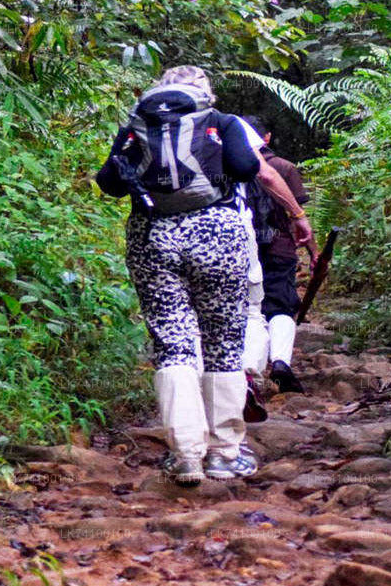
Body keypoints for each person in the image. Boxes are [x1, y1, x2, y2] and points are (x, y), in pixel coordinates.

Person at [95, 66, 267, 485]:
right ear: (205, 92)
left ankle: (186, 453)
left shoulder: (138, 125)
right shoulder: (221, 122)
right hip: (216, 235)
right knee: (224, 340)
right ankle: (225, 453)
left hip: (152, 236)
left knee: (173, 343)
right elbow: (246, 168)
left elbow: (109, 183)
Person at [240, 116, 312, 394]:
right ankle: (281, 361)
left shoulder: (228, 164)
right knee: (281, 305)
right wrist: (313, 250)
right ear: (265, 137)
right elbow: (298, 216)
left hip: (241, 246)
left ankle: (249, 375)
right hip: (280, 247)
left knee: (250, 310)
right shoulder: (284, 167)